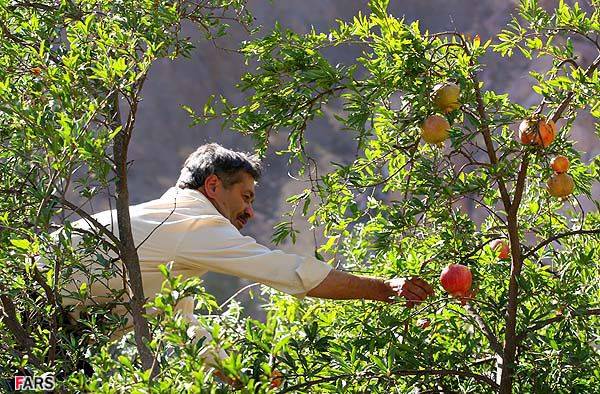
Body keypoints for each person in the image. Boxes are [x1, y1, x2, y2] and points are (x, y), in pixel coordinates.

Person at [56, 143, 434, 384]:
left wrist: (240, 379)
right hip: (36, 325)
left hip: (39, 321)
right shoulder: (196, 223)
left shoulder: (168, 223)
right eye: (246, 196)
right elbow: (287, 272)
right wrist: (386, 288)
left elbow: (184, 323)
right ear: (213, 187)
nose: (250, 212)